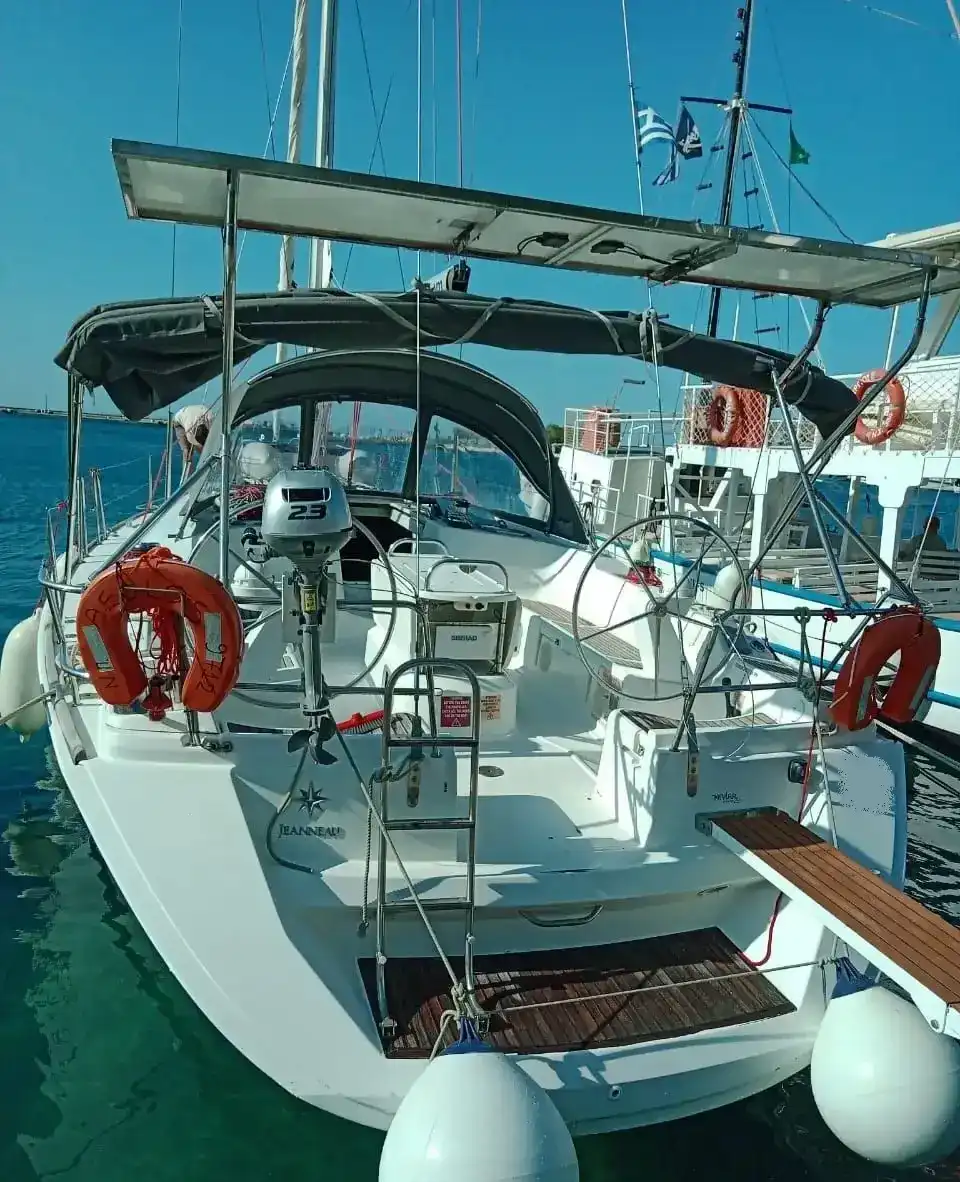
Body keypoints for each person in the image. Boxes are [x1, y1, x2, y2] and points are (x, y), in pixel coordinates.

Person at [173, 405, 212, 474]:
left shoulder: (211, 419)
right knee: (187, 451)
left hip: (198, 412)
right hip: (179, 421)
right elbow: (198, 445)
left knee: (203, 449)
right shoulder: (189, 432)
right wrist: (202, 449)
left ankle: (208, 465)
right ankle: (186, 474)